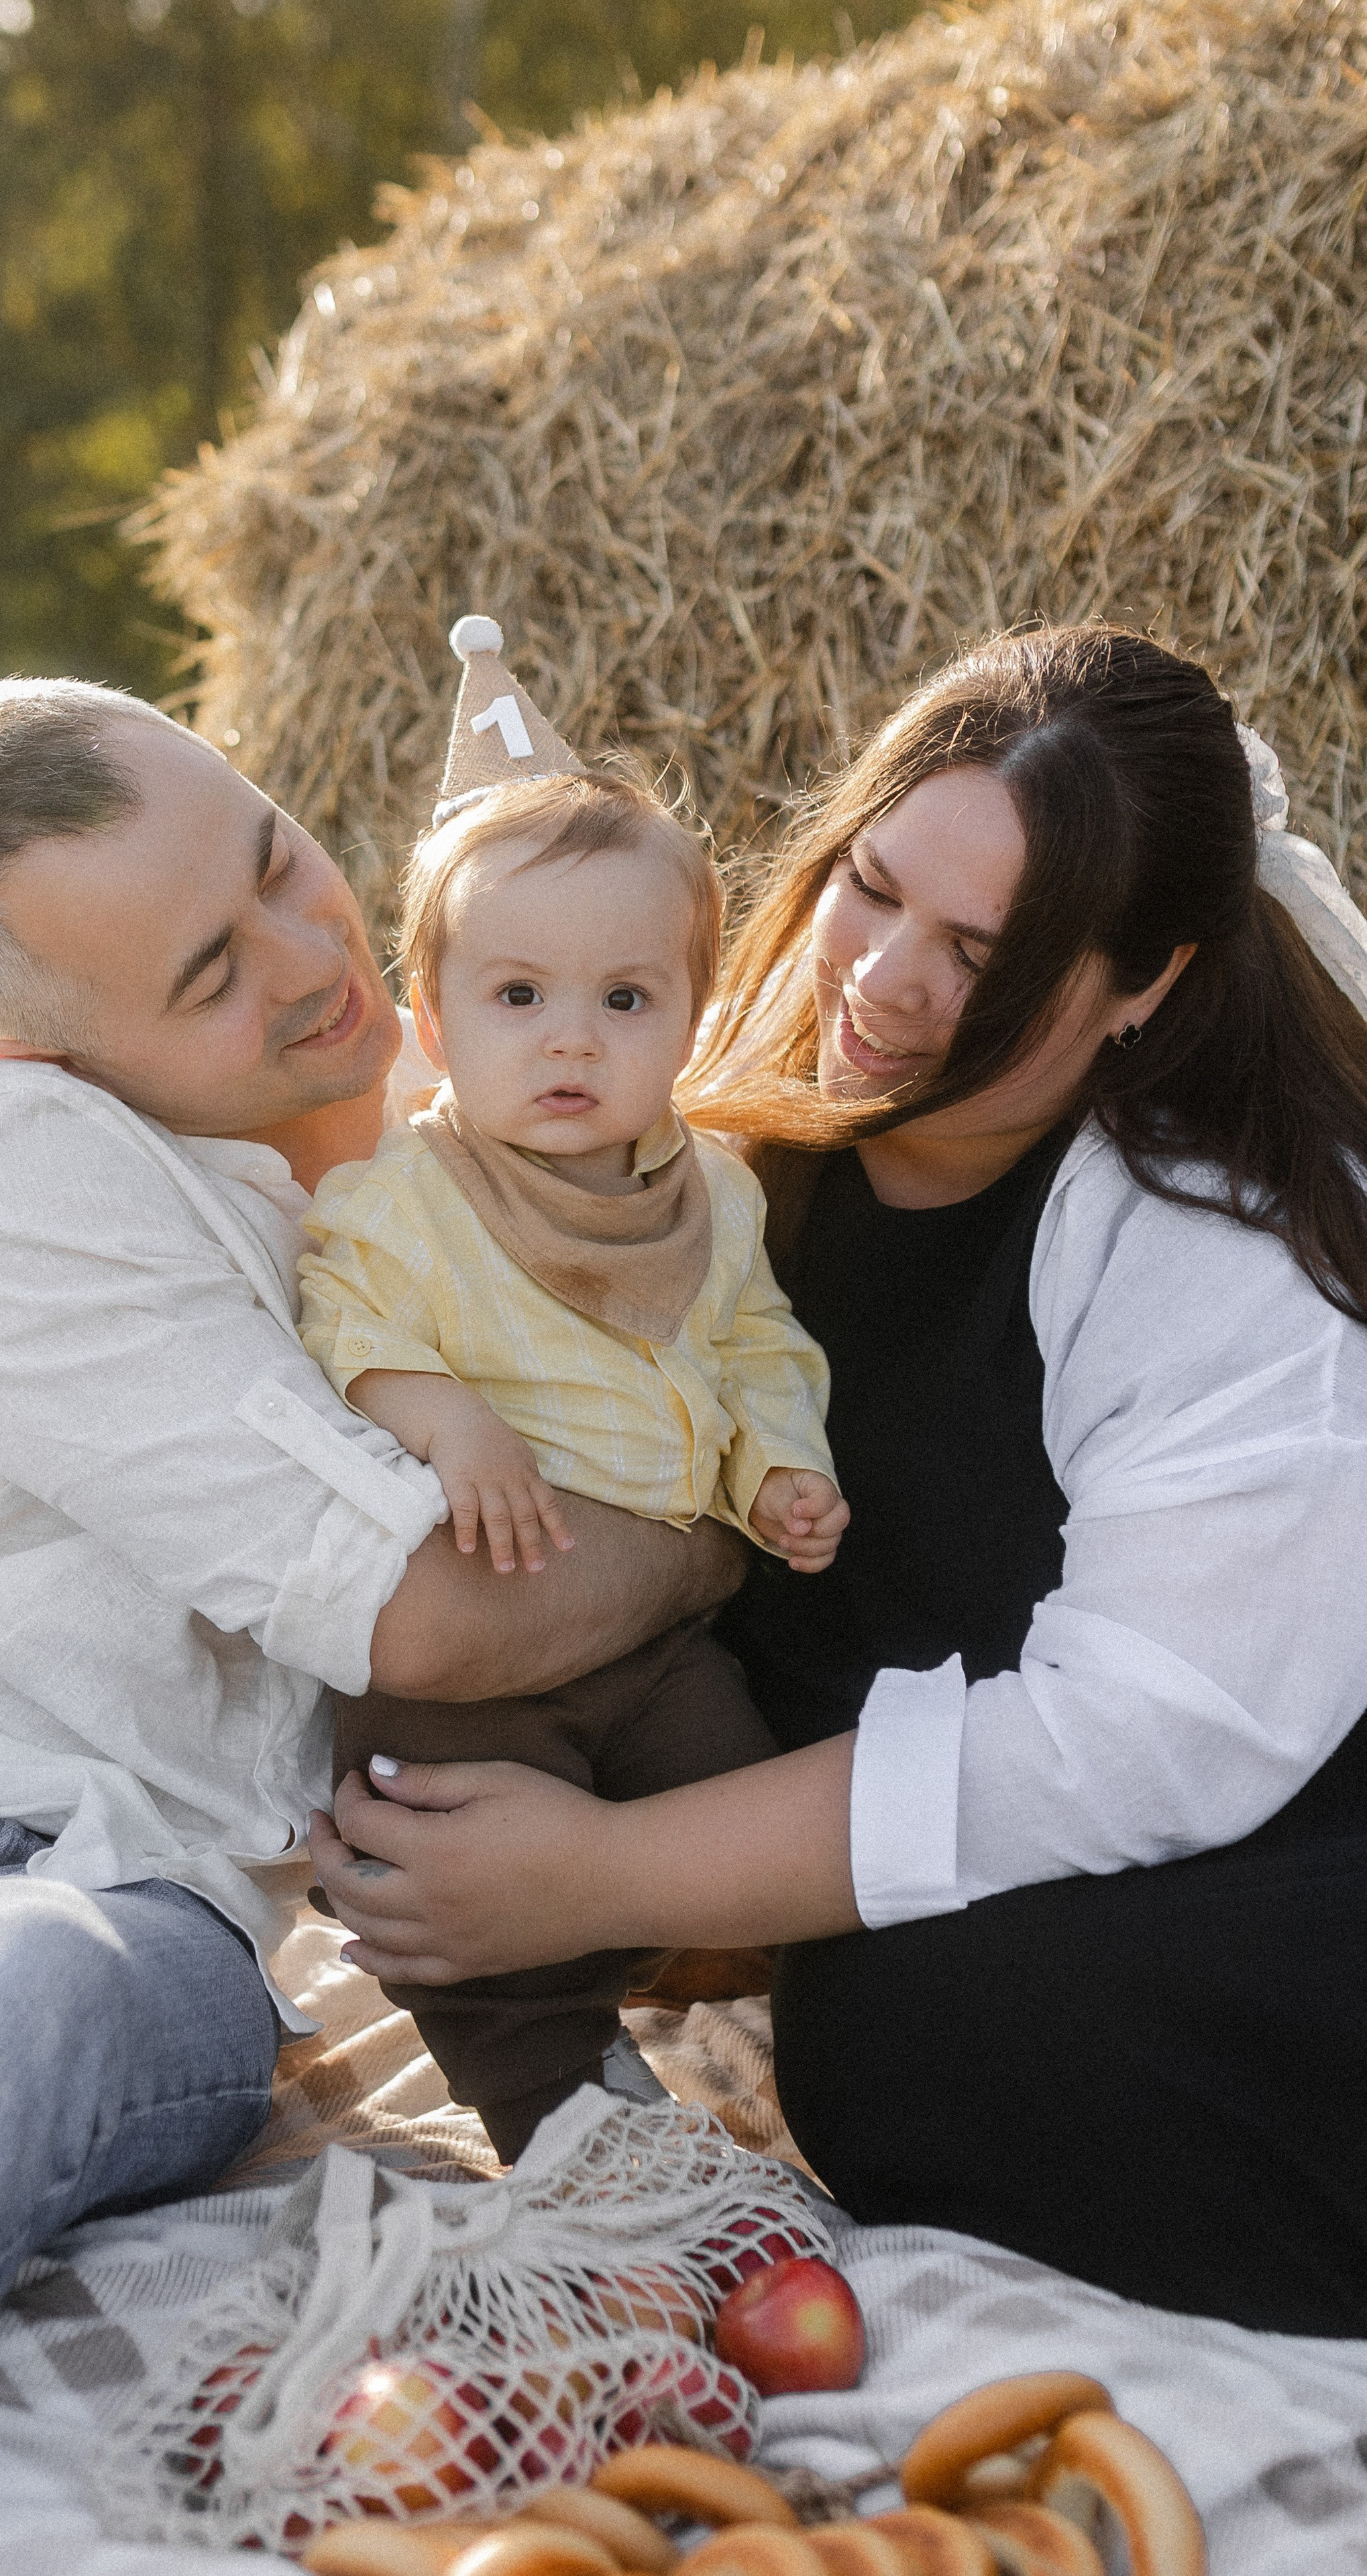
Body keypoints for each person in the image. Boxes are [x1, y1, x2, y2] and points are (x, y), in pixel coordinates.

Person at [0, 680, 745, 2576]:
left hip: (141, 1900)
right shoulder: (16, 1171)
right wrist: (708, 1542)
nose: (315, 961)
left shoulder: (480, 1108)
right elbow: (432, 1618)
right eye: (205, 977)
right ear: (49, 1048)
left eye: (282, 864)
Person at [311, 624, 1367, 2337]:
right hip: (953, 1821)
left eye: (982, 953)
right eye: (869, 887)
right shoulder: (723, 1124)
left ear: (1142, 982)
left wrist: (606, 1874)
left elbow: (1141, 1740)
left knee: (919, 2032)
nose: (879, 980)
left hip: (1283, 1836)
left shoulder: (1207, 1230)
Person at [300, 621, 844, 2159]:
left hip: (658, 1630)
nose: (568, 1042)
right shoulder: (411, 1201)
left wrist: (774, 1469)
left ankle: (743, 2007)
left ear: (691, 1016)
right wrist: (438, 1412)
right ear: (431, 1023)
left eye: (623, 1002)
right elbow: (337, 1315)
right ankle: (551, 2100)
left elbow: (755, 1351)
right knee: (455, 1859)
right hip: (471, 1640)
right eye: (517, 996)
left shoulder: (712, 1196)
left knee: (738, 1807)